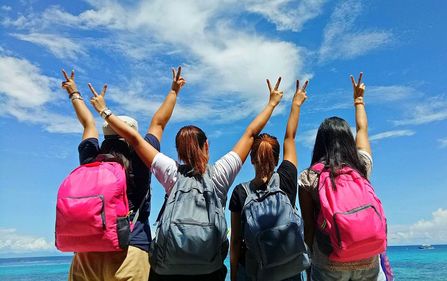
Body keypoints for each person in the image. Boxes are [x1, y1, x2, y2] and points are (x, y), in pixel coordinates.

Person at [88, 72, 284, 281]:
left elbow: (135, 140)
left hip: (167, 270)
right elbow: (251, 133)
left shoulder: (171, 172)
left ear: (178, 152)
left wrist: (104, 111)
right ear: (206, 145)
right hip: (209, 270)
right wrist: (272, 103)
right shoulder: (220, 175)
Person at [61, 66, 186, 281]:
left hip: (86, 254)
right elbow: (159, 122)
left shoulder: (91, 159)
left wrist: (74, 93)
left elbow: (87, 123)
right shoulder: (141, 156)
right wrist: (174, 91)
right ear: (131, 134)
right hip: (131, 250)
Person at [298, 73, 380, 281]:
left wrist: (308, 264)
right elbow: (362, 129)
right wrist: (359, 100)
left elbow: (308, 227)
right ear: (347, 141)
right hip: (368, 258)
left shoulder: (309, 177)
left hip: (329, 260)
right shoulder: (361, 167)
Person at [229, 80, 309, 281]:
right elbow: (290, 137)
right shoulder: (287, 179)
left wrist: (234, 272)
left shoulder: (240, 192)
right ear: (277, 158)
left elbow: (236, 241)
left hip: (254, 271)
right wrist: (296, 104)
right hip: (289, 268)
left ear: (251, 158)